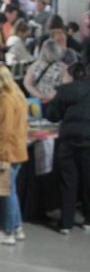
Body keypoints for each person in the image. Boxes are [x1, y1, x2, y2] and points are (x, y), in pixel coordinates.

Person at [0, 63, 29, 245]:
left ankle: (7, 232)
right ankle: (16, 227)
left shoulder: (6, 100)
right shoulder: (17, 96)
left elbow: (4, 131)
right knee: (12, 191)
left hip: (7, 153)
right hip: (16, 151)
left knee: (6, 193)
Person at [45, 63, 90, 234]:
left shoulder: (64, 91)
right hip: (88, 140)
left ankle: (66, 223)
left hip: (68, 140)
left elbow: (52, 116)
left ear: (70, 75)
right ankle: (88, 219)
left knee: (68, 181)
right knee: (88, 180)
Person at [23, 39, 67, 106]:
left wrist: (39, 96)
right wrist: (50, 97)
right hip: (55, 103)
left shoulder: (34, 66)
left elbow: (27, 83)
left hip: (38, 102)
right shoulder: (63, 68)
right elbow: (66, 86)